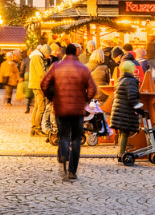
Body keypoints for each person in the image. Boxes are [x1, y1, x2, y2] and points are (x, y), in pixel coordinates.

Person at [40, 44, 97, 181]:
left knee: (64, 134)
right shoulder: (83, 68)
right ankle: (72, 172)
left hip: (60, 107)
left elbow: (44, 84)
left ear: (65, 53)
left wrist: (51, 97)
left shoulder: (56, 67)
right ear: (77, 53)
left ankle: (64, 153)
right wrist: (85, 99)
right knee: (76, 139)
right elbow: (92, 89)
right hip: (77, 109)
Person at [110, 60, 141, 162]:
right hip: (125, 112)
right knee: (125, 133)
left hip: (119, 111)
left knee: (122, 133)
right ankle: (122, 154)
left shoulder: (120, 80)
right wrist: (139, 107)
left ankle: (120, 153)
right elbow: (132, 97)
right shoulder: (131, 81)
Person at [29, 43, 51, 136]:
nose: (48, 56)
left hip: (36, 85)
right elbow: (42, 73)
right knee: (41, 108)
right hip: (38, 86)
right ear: (45, 52)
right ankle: (37, 128)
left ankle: (34, 128)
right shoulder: (37, 58)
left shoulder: (37, 57)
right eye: (48, 54)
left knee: (37, 107)